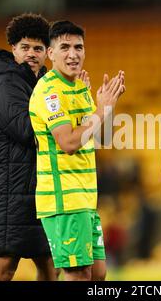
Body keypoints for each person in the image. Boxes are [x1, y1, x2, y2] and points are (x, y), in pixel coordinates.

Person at [29, 20, 125, 281]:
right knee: (78, 274)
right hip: (65, 200)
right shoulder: (49, 91)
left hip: (85, 198)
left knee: (98, 273)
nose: (73, 54)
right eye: (65, 47)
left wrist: (106, 106)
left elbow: (94, 138)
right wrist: (101, 110)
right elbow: (69, 143)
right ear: (51, 54)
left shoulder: (79, 87)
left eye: (79, 47)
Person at [0, 13, 58, 281]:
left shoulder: (42, 84)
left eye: (38, 48)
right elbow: (27, 130)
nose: (31, 54)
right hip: (7, 192)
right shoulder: (4, 83)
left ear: (47, 52)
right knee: (3, 268)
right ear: (13, 48)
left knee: (50, 266)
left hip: (37, 189)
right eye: (25, 47)